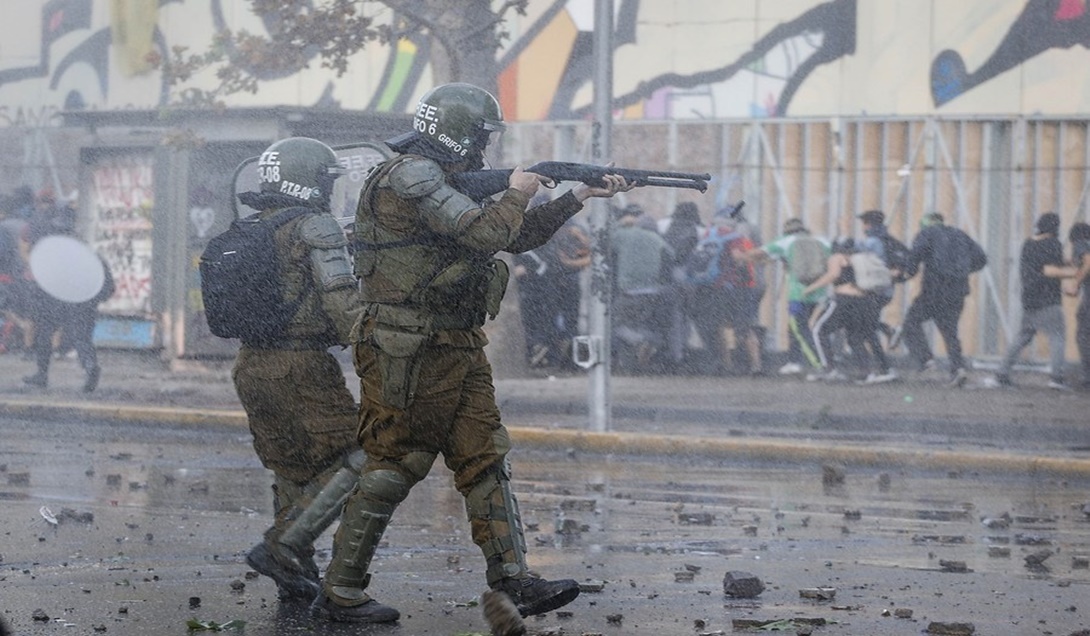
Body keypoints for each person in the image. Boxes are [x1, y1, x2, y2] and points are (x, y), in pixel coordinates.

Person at [310, 83, 633, 624]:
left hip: (456, 340)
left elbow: (514, 236)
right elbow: (485, 233)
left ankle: (514, 578)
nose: (485, 145)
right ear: (458, 132)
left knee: (485, 459)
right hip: (407, 343)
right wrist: (518, 188)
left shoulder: (436, 180)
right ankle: (340, 589)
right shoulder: (410, 174)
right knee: (395, 463)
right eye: (482, 135)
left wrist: (576, 197)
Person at [222, 137, 367, 602]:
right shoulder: (316, 226)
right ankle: (284, 546)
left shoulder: (256, 225)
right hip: (301, 365)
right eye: (326, 181)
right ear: (310, 182)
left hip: (251, 364)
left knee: (291, 465)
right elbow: (342, 301)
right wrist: (373, 345)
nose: (330, 190)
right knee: (366, 456)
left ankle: (294, 575)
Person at [900, 212, 988, 388]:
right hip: (957, 291)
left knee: (910, 323)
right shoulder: (961, 235)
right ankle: (958, 369)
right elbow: (981, 258)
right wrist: (961, 271)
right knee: (950, 332)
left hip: (934, 289)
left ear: (925, 224)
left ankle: (925, 359)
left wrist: (907, 273)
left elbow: (916, 254)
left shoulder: (927, 233)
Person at [995, 213, 1076, 389]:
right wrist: (1076, 273)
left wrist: (1067, 262)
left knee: (1023, 336)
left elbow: (1040, 264)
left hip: (1030, 297)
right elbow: (1049, 270)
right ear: (1056, 227)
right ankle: (1057, 378)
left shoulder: (1028, 243)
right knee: (1058, 336)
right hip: (1048, 299)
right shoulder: (1053, 243)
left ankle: (1002, 372)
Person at [741, 217, 829, 376]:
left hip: (798, 294)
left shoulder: (786, 241)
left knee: (800, 330)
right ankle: (796, 361)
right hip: (821, 293)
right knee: (807, 329)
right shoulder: (822, 242)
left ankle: (818, 366)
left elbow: (758, 253)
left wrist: (740, 255)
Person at [803, 238, 895, 384]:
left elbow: (833, 274)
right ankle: (868, 373)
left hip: (844, 300)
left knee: (819, 330)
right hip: (864, 301)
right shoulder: (858, 259)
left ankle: (829, 369)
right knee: (855, 338)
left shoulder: (837, 257)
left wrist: (811, 288)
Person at [21, 248, 114, 392]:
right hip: (84, 305)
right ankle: (90, 366)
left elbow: (45, 282)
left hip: (56, 303)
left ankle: (42, 374)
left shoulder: (57, 257)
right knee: (82, 338)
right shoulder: (94, 258)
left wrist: (38, 302)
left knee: (44, 334)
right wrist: (93, 300)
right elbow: (109, 288)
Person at [610, 203, 673, 373]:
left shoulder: (624, 234)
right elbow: (671, 255)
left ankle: (639, 341)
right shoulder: (656, 238)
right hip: (652, 291)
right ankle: (634, 363)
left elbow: (604, 240)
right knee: (640, 325)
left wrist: (620, 223)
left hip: (629, 291)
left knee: (617, 325)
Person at [660, 202, 704, 371]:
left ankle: (673, 354)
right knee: (686, 315)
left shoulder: (665, 225)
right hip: (689, 276)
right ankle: (682, 352)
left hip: (668, 275)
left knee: (673, 317)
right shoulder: (698, 229)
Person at [1065, 222, 1090, 390]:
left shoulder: (1080, 244)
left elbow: (1088, 262)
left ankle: (1087, 377)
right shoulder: (1086, 244)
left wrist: (1075, 284)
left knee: (1083, 334)